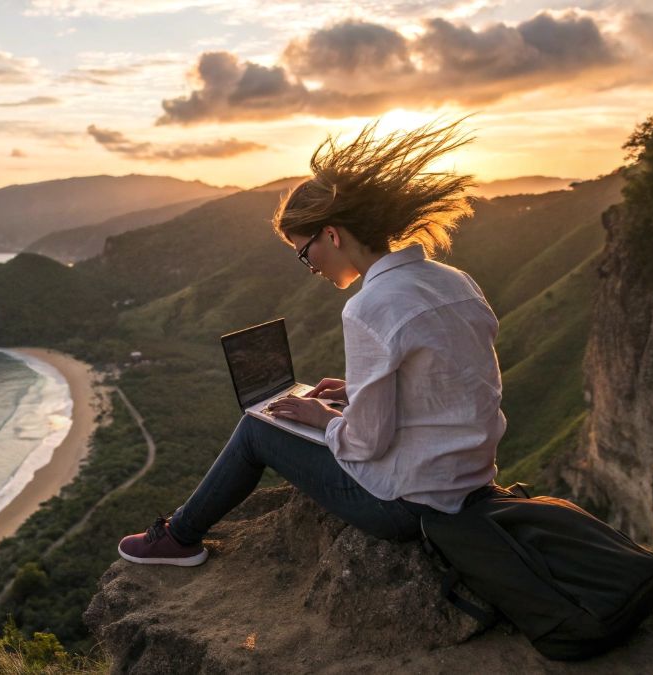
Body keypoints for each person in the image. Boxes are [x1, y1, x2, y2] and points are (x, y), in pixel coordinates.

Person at [117, 118, 506, 566]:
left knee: (257, 428)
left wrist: (324, 418)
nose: (311, 267)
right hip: (470, 483)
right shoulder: (455, 281)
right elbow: (455, 382)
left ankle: (179, 538)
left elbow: (365, 445)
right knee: (291, 415)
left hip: (410, 505)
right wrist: (357, 392)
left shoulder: (369, 306)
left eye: (305, 253)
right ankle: (179, 535)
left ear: (333, 234)